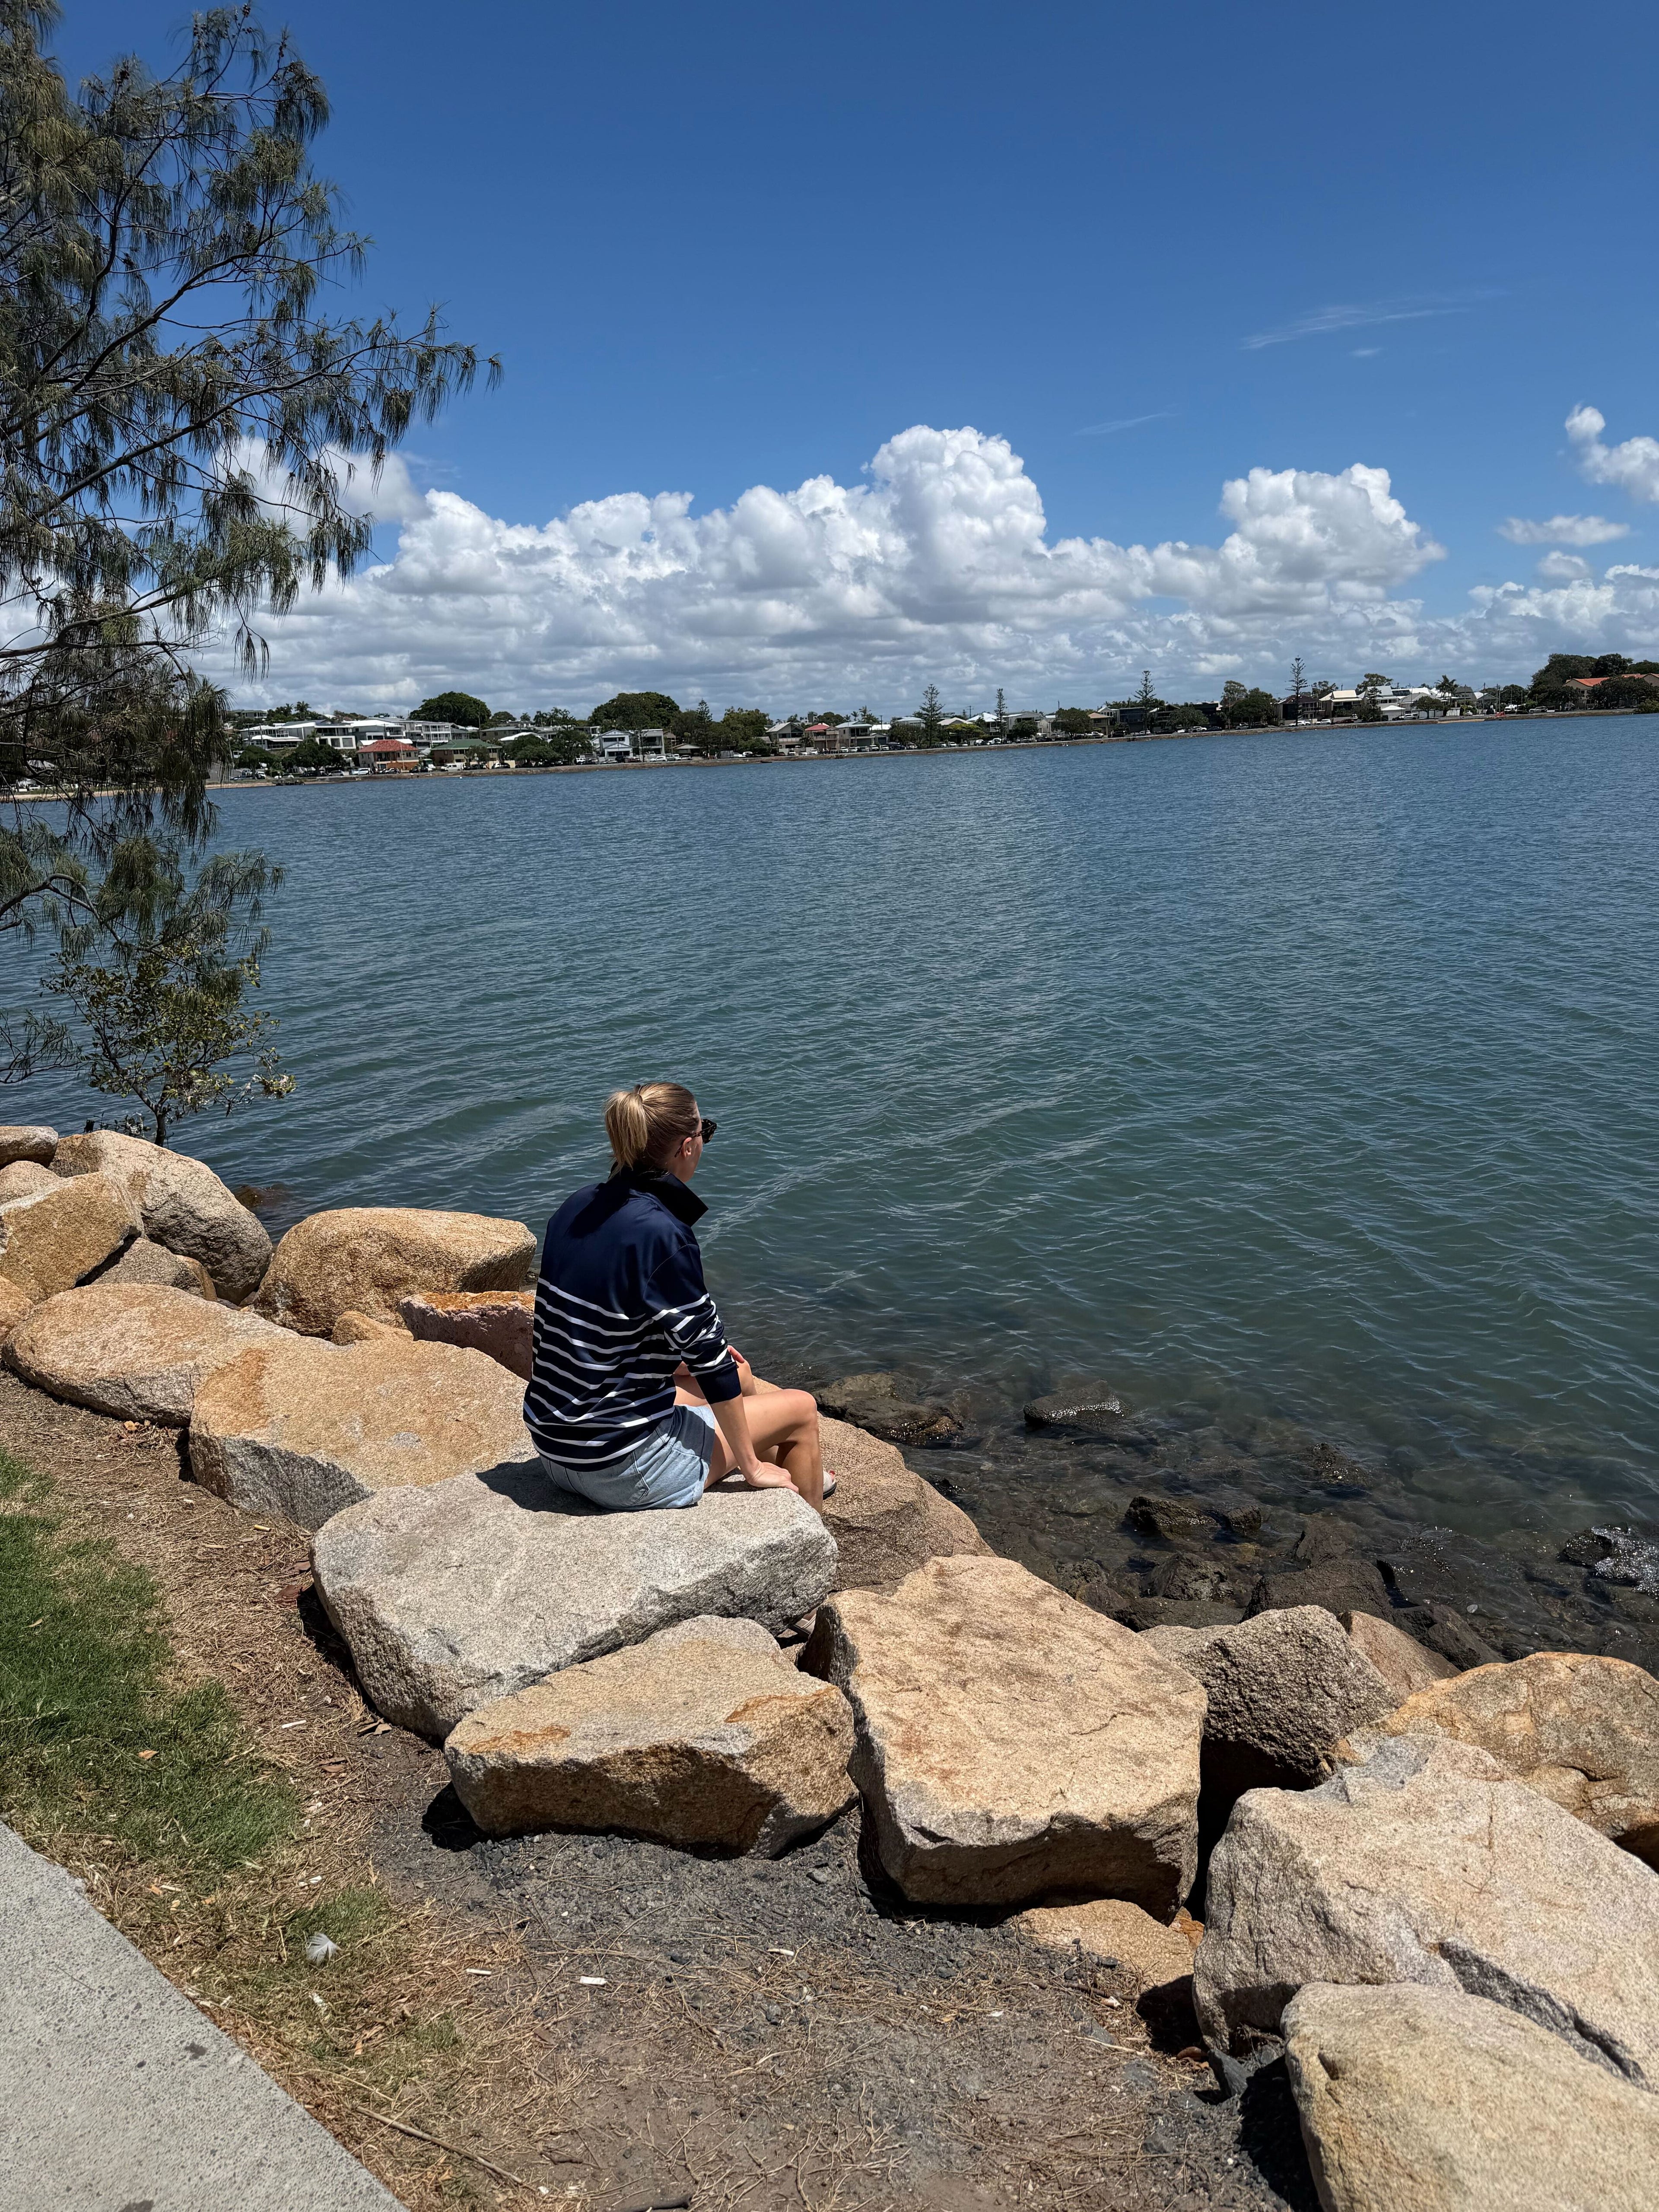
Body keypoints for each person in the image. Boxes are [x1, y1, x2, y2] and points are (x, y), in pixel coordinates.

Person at [523, 1082, 826, 1513]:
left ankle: (798, 1466)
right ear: (687, 1146)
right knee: (801, 1409)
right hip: (622, 1467)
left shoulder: (576, 1206)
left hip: (556, 1447)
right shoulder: (663, 1234)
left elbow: (578, 1324)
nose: (705, 1140)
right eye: (706, 1130)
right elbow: (709, 1358)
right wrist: (750, 1464)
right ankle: (809, 1532)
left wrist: (671, 1355)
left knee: (742, 1377)